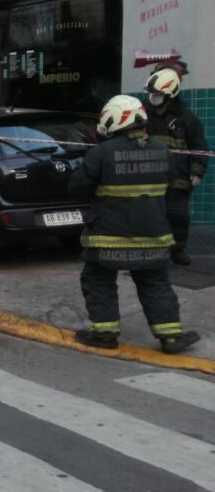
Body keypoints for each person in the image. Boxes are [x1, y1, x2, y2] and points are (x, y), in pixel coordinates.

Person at [69, 94, 199, 354]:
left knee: (98, 281)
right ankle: (171, 336)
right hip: (154, 237)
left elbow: (77, 187)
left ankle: (105, 334)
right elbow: (173, 185)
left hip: (107, 239)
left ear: (115, 119)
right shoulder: (163, 151)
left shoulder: (102, 153)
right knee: (155, 283)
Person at [142, 68, 208, 265]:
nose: (153, 97)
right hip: (148, 177)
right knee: (149, 216)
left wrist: (197, 171)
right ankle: (150, 253)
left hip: (177, 178)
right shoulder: (142, 116)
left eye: (158, 94)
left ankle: (177, 251)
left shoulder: (187, 119)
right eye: (152, 93)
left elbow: (199, 147)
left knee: (178, 216)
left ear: (170, 94)